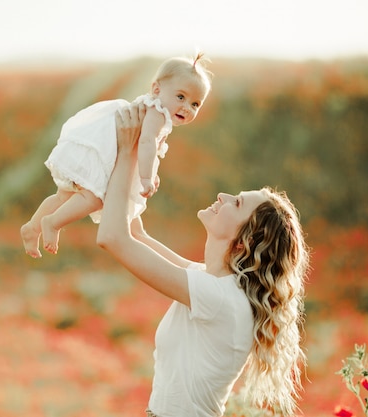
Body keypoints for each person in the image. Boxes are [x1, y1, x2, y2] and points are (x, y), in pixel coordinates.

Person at [96, 104, 310, 416]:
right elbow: (134, 234)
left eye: (235, 203)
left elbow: (112, 238)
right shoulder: (214, 283)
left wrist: (129, 150)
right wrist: (142, 153)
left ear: (245, 241)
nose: (222, 197)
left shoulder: (219, 297)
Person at [21, 53, 212, 258]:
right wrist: (146, 178)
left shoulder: (154, 109)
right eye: (181, 97)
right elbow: (147, 143)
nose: (186, 107)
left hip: (99, 151)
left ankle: (32, 228)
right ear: (156, 89)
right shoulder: (158, 113)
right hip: (105, 155)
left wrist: (152, 173)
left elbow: (149, 150)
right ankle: (52, 222)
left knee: (64, 195)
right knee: (94, 199)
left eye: (195, 104)